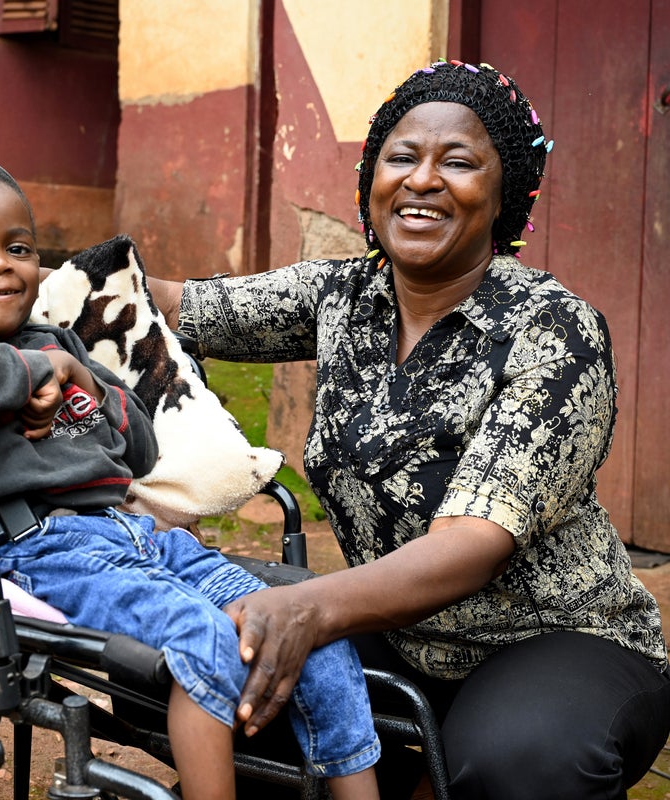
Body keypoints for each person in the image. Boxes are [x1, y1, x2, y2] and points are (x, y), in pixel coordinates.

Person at [143, 60, 670, 799]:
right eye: (402, 157)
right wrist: (16, 281)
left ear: (503, 195)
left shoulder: (552, 329)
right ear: (372, 181)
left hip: (553, 640)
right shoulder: (343, 294)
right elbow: (176, 306)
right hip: (399, 633)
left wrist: (309, 606)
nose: (422, 180)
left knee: (515, 759)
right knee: (238, 695)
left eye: (458, 162)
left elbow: (471, 545)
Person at [0, 152, 382, 800]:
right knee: (201, 641)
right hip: (26, 552)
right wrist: (34, 375)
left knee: (304, 628)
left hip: (133, 536)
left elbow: (140, 445)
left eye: (17, 246)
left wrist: (84, 380)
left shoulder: (59, 342)